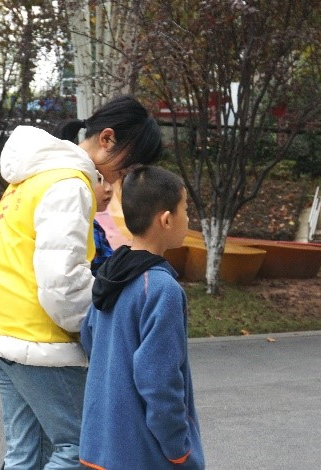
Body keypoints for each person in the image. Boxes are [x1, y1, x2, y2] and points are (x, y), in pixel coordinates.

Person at [0, 95, 163, 469]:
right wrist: (98, 330)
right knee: (81, 447)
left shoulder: (36, 175)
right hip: (37, 339)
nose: (124, 176)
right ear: (107, 139)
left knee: (27, 454)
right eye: (129, 163)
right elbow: (63, 283)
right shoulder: (71, 185)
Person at [79, 166, 206, 470]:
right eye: (185, 210)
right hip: (143, 455)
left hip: (99, 448)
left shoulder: (111, 274)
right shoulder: (161, 289)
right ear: (166, 219)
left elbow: (88, 336)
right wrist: (179, 450)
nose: (188, 219)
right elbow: (159, 381)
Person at [91, 173, 114, 274]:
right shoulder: (82, 227)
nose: (109, 188)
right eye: (99, 179)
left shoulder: (93, 224)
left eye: (110, 181)